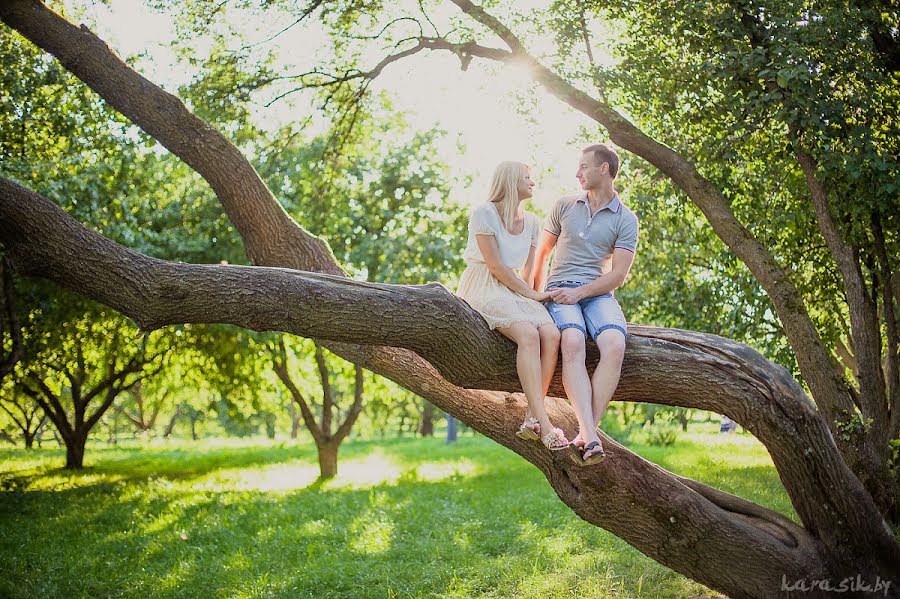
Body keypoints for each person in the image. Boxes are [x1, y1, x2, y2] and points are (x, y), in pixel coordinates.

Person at [534, 144, 639, 465]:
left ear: (603, 169)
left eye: (584, 167)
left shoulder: (626, 219)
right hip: (558, 290)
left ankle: (587, 432)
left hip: (596, 294)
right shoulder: (565, 205)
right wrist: (532, 297)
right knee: (574, 340)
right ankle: (591, 437)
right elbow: (540, 255)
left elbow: (618, 276)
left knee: (615, 343)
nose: (577, 173)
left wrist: (580, 294)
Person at [457, 161, 569, 451]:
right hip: (484, 283)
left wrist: (534, 295)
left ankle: (531, 417)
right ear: (510, 181)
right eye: (527, 178)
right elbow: (495, 266)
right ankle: (545, 424)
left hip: (517, 290)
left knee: (552, 334)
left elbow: (529, 272)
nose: (532, 182)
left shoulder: (532, 222)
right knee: (529, 335)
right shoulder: (483, 213)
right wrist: (532, 297)